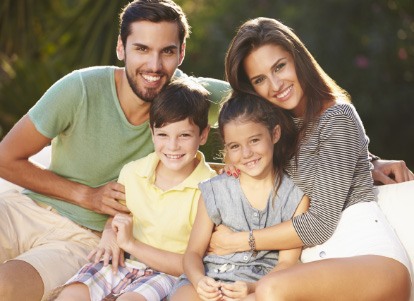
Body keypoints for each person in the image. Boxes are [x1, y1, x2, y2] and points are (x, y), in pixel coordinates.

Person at [0, 1, 229, 300]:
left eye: (167, 51)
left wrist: (236, 170)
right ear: (121, 48)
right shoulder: (80, 88)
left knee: (6, 286)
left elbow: (265, 101)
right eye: (142, 49)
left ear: (181, 53)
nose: (155, 66)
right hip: (24, 209)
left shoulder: (192, 99)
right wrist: (86, 195)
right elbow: (6, 158)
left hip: (84, 239)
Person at [209, 17, 412, 300]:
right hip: (311, 270)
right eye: (260, 80)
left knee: (270, 288)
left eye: (279, 66)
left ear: (297, 58)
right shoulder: (277, 135)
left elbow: (319, 224)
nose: (276, 84)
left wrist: (238, 242)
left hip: (370, 260)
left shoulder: (338, 117)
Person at [46, 78, 217, 301]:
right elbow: (118, 219)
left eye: (184, 135)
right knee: (71, 295)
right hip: (123, 263)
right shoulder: (133, 172)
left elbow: (191, 264)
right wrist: (109, 234)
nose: (173, 146)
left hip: (167, 274)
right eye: (163, 134)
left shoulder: (209, 189)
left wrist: (130, 244)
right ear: (152, 132)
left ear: (202, 135)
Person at [169, 94, 309, 301]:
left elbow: (286, 264)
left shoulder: (295, 196)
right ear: (226, 149)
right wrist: (199, 281)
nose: (246, 153)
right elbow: (193, 254)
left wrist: (253, 287)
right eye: (235, 146)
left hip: (260, 283)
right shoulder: (215, 190)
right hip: (211, 276)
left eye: (254, 140)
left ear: (275, 133)